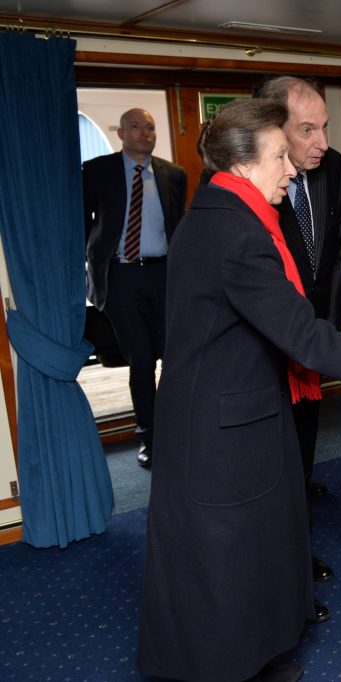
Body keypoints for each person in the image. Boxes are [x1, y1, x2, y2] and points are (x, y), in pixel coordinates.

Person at [135, 98, 341, 682]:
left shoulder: (221, 213)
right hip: (219, 431)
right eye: (279, 156)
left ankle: (255, 659)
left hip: (230, 412)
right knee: (222, 561)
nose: (292, 169)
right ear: (243, 165)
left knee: (250, 550)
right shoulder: (235, 233)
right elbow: (305, 336)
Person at [255, 76, 341, 592]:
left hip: (314, 335)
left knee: (305, 436)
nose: (322, 144)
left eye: (326, 128)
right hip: (269, 342)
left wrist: (327, 335)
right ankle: (287, 554)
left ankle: (297, 522)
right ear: (273, 130)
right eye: (307, 130)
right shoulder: (245, 184)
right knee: (272, 450)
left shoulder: (332, 167)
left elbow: (336, 257)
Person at [83, 108, 186, 468]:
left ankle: (178, 430)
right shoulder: (97, 171)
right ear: (122, 133)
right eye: (136, 127)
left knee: (174, 357)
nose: (145, 133)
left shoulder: (174, 175)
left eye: (150, 127)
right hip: (121, 277)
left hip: (164, 277)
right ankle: (150, 438)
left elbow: (179, 229)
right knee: (141, 360)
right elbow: (82, 224)